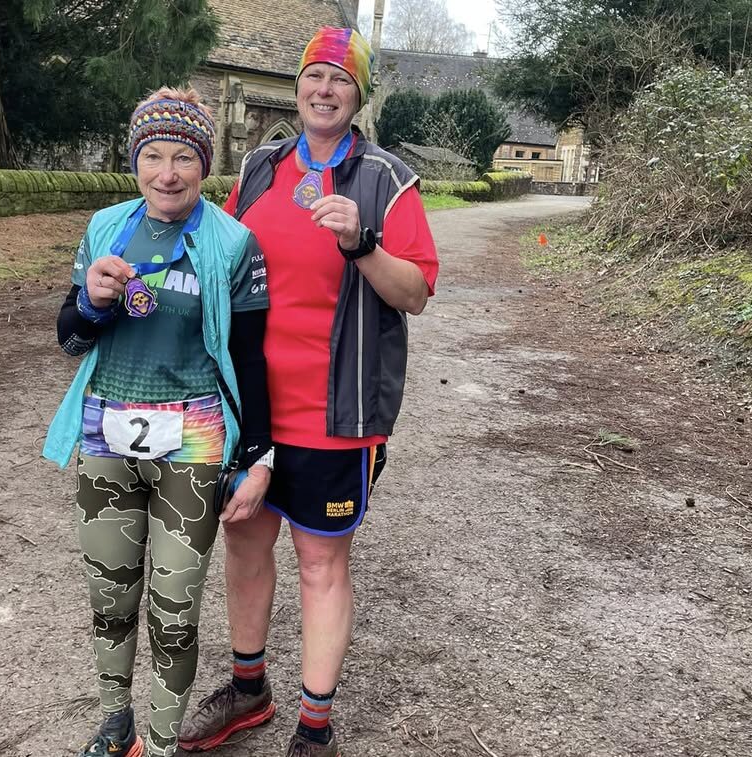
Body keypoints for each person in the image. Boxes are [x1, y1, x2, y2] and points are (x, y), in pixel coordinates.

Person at [179, 27, 438, 757]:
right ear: (297, 87)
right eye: (314, 76)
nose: (324, 89)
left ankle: (314, 730)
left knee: (322, 563)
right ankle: (248, 688)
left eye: (340, 80)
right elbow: (222, 259)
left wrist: (362, 244)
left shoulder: (386, 179)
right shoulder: (262, 166)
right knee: (244, 537)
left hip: (337, 411)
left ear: (358, 97)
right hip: (249, 405)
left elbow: (414, 292)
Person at [42, 87, 275, 757]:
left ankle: (164, 742)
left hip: (194, 442)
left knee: (174, 612)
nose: (167, 172)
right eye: (153, 155)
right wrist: (91, 300)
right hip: (107, 434)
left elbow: (251, 357)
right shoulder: (106, 227)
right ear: (135, 159)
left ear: (205, 163)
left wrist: (259, 456)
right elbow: (70, 337)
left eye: (183, 156)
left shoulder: (233, 243)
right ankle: (116, 721)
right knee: (111, 599)